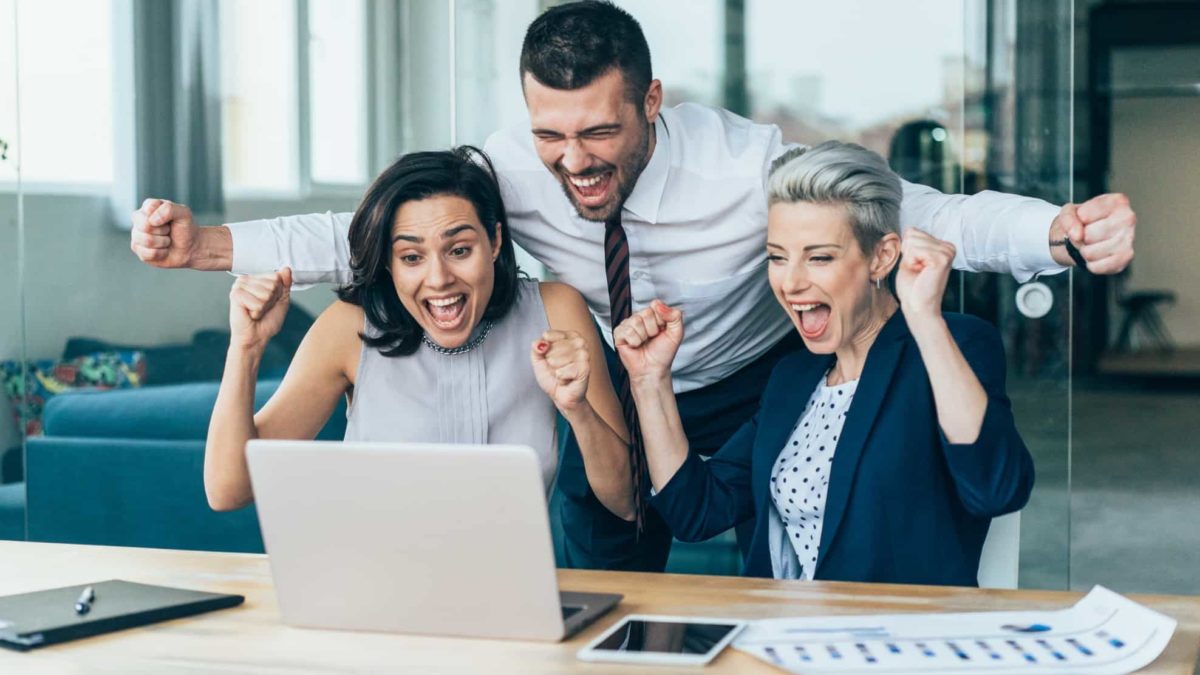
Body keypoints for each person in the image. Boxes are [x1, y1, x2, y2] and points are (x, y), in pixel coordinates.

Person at [130, 1, 1132, 571]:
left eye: (599, 133)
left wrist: (1055, 230)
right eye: (552, 135)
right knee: (601, 577)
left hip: (752, 380)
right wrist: (208, 244)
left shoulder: (746, 164)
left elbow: (919, 211)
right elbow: (375, 233)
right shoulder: (511, 170)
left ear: (652, 101)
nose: (574, 162)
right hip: (612, 384)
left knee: (784, 544)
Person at [613, 141, 1033, 585]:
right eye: (777, 257)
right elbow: (696, 512)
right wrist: (649, 379)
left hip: (897, 642)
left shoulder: (951, 343)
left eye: (819, 257)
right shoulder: (793, 378)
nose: (791, 282)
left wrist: (924, 317)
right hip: (782, 636)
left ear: (882, 256)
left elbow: (995, 489)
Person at [203, 147, 634, 522]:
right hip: (372, 592)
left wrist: (577, 409)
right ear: (389, 263)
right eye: (411, 256)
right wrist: (245, 349)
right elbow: (230, 490)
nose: (439, 278)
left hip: (505, 598)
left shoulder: (554, 310)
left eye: (460, 250)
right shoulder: (347, 329)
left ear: (495, 241)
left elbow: (626, 501)